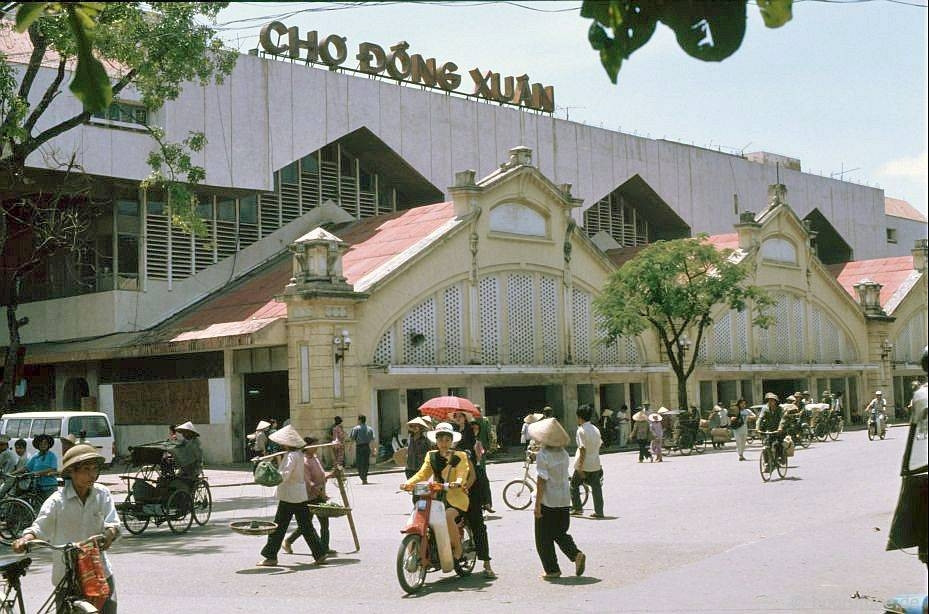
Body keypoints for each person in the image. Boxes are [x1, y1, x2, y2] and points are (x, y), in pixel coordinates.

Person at [13, 443, 120, 613]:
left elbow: (112, 523)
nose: (92, 475)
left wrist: (109, 535)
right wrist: (25, 539)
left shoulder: (102, 494)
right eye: (86, 469)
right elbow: (39, 528)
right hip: (67, 575)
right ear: (72, 471)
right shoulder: (57, 501)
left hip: (99, 571)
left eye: (95, 469)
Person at [402, 422, 496, 578]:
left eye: (447, 440)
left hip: (457, 497)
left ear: (452, 440)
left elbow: (463, 472)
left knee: (456, 519)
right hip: (437, 496)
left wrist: (458, 482)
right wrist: (408, 483)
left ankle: (463, 552)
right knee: (419, 515)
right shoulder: (431, 456)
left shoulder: (460, 455)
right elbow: (422, 474)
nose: (443, 443)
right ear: (435, 441)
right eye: (440, 440)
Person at [257, 425, 327, 567]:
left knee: (279, 526)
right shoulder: (298, 455)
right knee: (306, 525)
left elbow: (286, 474)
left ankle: (270, 556)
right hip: (298, 494)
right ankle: (319, 553)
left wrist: (273, 477)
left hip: (289, 495)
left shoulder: (291, 456)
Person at [529, 417, 586, 580]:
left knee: (542, 538)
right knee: (558, 532)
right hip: (563, 499)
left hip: (548, 500)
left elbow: (541, 481)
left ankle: (552, 569)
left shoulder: (543, 455)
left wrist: (537, 505)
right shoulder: (563, 454)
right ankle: (575, 554)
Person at [282, 437, 337, 557]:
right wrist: (320, 493)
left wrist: (331, 474)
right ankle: (289, 541)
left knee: (323, 523)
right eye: (315, 445)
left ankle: (324, 547)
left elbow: (320, 477)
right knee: (306, 525)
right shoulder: (304, 461)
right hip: (310, 496)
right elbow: (308, 482)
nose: (317, 447)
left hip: (320, 494)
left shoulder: (315, 458)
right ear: (307, 447)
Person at [570, 405, 604, 518]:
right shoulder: (596, 429)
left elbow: (582, 449)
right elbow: (599, 444)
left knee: (574, 485)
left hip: (584, 464)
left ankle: (577, 508)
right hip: (595, 463)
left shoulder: (581, 430)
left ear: (580, 417)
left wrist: (580, 467)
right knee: (596, 488)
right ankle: (599, 511)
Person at [25, 434, 59, 504]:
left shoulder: (51, 455)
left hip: (50, 486)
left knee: (51, 505)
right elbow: (27, 467)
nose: (43, 445)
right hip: (38, 487)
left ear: (48, 445)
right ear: (38, 445)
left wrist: (37, 473)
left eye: (45, 443)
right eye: (41, 443)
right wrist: (14, 473)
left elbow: (53, 469)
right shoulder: (35, 456)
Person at [404, 417, 432, 483]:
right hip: (410, 467)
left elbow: (430, 452)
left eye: (416, 426)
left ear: (421, 427)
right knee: (411, 487)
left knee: (420, 489)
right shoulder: (410, 438)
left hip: (421, 468)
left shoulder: (426, 439)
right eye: (412, 426)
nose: (414, 428)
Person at [350, 415, 375, 484]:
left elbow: (352, 439)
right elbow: (372, 440)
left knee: (359, 463)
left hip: (359, 447)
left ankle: (362, 477)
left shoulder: (356, 429)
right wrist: (373, 450)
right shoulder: (370, 429)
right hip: (367, 447)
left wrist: (350, 447)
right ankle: (365, 477)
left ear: (360, 420)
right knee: (366, 463)